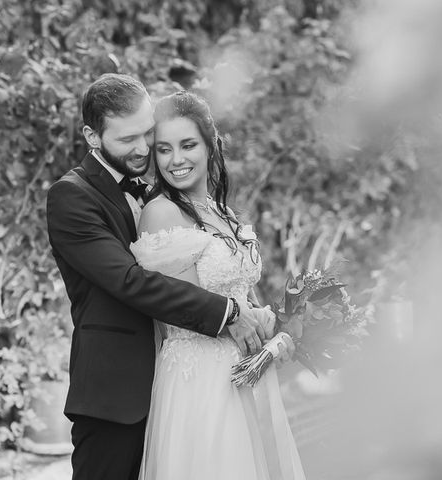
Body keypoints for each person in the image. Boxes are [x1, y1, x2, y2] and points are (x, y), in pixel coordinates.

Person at [46, 74, 274, 480]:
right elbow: (129, 281)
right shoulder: (72, 196)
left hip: (181, 383)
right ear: (91, 136)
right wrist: (229, 312)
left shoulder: (159, 192)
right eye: (127, 139)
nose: (143, 148)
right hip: (116, 396)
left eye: (147, 133)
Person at [131, 91, 306, 480]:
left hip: (244, 368)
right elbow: (183, 308)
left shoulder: (223, 212)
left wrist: (280, 326)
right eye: (164, 149)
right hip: (201, 379)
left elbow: (241, 298)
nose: (176, 160)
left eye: (188, 145)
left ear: (210, 146)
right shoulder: (161, 213)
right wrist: (252, 320)